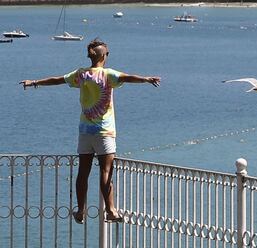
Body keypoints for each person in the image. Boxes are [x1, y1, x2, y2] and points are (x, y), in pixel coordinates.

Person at [20, 38, 161, 224]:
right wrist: (146, 79)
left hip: (85, 132)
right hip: (104, 132)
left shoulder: (81, 74)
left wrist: (34, 82)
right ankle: (110, 210)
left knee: (83, 172)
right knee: (105, 171)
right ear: (105, 56)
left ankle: (80, 211)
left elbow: (58, 80)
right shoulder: (108, 74)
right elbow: (127, 77)